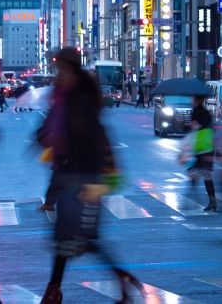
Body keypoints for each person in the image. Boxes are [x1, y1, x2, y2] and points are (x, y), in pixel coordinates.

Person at [38, 47, 140, 304]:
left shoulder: (79, 102)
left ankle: (54, 291)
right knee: (74, 238)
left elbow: (85, 140)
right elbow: (53, 136)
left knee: (73, 238)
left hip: (83, 178)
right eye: (56, 69)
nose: (57, 74)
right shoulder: (65, 99)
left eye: (60, 69)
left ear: (71, 70)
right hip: (71, 175)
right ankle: (118, 279)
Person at [181, 95, 217, 211]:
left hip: (205, 148)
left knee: (205, 174)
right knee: (193, 172)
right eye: (192, 99)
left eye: (195, 99)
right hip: (197, 148)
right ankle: (194, 198)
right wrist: (188, 126)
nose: (193, 101)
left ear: (200, 100)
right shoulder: (195, 112)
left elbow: (206, 127)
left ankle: (212, 201)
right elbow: (192, 128)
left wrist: (197, 126)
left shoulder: (205, 113)